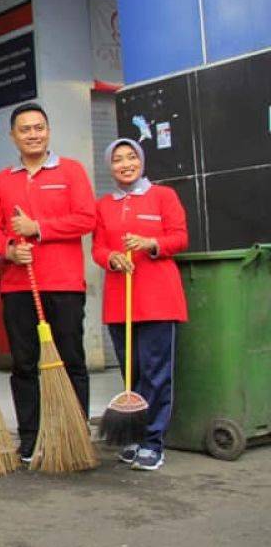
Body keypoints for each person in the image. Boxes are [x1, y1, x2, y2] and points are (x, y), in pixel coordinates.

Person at [0, 102, 95, 464]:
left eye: (39, 128)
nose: (33, 134)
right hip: (18, 287)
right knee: (25, 364)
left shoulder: (72, 171)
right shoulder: (2, 181)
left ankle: (74, 432)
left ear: (48, 131)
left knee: (70, 361)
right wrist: (10, 251)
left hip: (63, 284)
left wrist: (39, 229)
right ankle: (30, 438)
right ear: (13, 136)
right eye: (25, 129)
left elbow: (86, 218)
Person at [92, 138, 188, 471]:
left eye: (131, 157)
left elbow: (179, 237)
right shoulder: (103, 206)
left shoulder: (164, 196)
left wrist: (151, 243)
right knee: (131, 373)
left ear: (142, 161)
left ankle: (153, 442)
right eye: (117, 159)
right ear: (110, 167)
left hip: (159, 299)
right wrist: (113, 259)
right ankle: (133, 435)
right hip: (121, 301)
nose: (125, 164)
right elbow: (98, 249)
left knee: (156, 374)